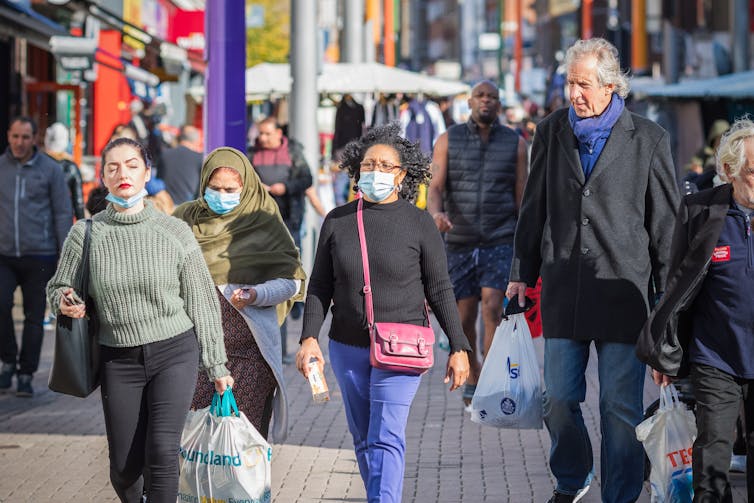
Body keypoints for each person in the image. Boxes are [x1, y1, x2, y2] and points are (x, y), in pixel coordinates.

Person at [505, 38, 680, 503]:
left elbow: (666, 225)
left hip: (624, 292)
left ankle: (620, 494)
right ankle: (573, 476)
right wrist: (522, 268)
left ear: (610, 86)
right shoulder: (550, 131)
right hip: (564, 286)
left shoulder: (649, 139)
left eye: (583, 84)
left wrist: (670, 302)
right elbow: (534, 205)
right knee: (557, 399)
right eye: (570, 82)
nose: (574, 93)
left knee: (618, 407)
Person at [46, 137, 234, 502]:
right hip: (118, 358)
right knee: (124, 468)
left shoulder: (174, 232)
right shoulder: (86, 234)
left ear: (148, 173)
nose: (123, 173)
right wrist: (65, 300)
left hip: (175, 352)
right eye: (113, 167)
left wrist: (217, 364)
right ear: (103, 177)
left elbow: (202, 302)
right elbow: (59, 286)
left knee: (163, 452)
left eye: (132, 165)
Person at [296, 122, 471, 503]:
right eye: (368, 164)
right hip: (347, 346)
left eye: (385, 165)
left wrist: (459, 346)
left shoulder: (419, 222)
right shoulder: (337, 221)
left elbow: (440, 288)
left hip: (403, 347)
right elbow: (320, 287)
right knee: (363, 438)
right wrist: (309, 337)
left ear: (403, 174)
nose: (374, 171)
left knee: (386, 436)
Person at [638, 118, 754, 502]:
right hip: (715, 354)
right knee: (712, 459)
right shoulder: (700, 212)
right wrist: (663, 351)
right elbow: (676, 285)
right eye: (753, 171)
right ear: (729, 171)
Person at [174, 146, 307, 441]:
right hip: (196, 353)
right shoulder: (185, 218)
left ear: (245, 188)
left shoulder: (264, 219)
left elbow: (293, 282)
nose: (221, 195)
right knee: (195, 440)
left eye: (230, 189)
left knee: (244, 443)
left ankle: (247, 490)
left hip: (251, 356)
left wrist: (256, 294)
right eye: (215, 187)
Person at [428, 80, 529, 406]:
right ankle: (472, 371)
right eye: (480, 96)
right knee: (463, 313)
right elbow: (435, 186)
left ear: (499, 105)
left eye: (492, 97)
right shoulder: (448, 139)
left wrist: (525, 239)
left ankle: (492, 374)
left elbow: (522, 196)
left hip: (500, 238)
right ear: (470, 102)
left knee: (492, 306)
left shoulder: (515, 143)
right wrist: (436, 214)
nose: (486, 101)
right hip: (459, 238)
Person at [0, 116, 73, 397]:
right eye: (15, 136)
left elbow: (62, 212)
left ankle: (26, 373)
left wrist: (65, 254)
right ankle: (8, 360)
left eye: (25, 137)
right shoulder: (2, 168)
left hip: (40, 254)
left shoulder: (50, 170)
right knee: (1, 305)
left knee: (33, 317)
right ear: (9, 135)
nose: (20, 143)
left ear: (35, 138)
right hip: (4, 254)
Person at [44, 122, 85, 220]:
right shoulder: (72, 167)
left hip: (40, 219)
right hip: (64, 218)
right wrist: (83, 226)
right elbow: (78, 203)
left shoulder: (38, 164)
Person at [159, 125, 203, 205]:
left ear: (179, 138)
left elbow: (159, 180)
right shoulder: (200, 158)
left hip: (165, 205)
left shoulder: (165, 154)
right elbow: (201, 189)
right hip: (186, 208)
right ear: (196, 141)